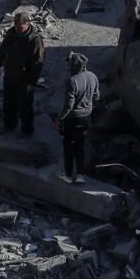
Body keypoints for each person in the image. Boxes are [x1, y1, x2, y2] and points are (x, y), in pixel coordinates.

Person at [0, 9, 46, 135]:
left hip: (25, 79)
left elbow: (37, 64)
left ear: (27, 24)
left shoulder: (35, 40)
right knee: (9, 102)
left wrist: (32, 82)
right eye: (16, 27)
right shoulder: (11, 34)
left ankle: (27, 130)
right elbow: (2, 52)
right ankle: (9, 125)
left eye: (20, 28)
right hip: (10, 75)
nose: (18, 30)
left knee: (25, 105)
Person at [57, 51, 99, 181]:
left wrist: (59, 118)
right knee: (80, 146)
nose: (67, 67)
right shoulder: (93, 76)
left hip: (72, 119)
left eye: (69, 65)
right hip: (86, 117)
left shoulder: (72, 81)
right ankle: (81, 174)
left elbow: (69, 105)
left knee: (69, 146)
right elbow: (96, 97)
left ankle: (68, 175)